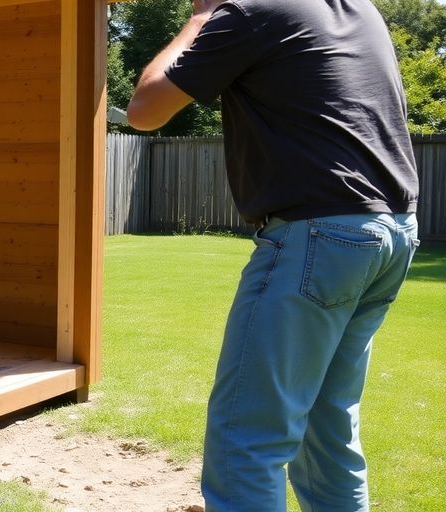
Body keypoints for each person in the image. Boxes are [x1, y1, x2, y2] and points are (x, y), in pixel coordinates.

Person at [125, 0, 421, 510]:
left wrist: (200, 18)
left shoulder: (250, 12)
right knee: (328, 432)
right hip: (392, 231)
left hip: (319, 235)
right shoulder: (361, 10)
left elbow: (145, 111)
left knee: (247, 438)